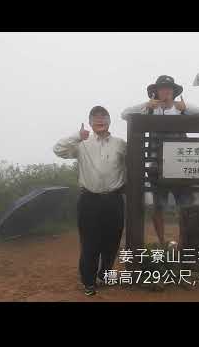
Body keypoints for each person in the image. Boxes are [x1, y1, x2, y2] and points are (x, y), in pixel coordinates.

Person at [121, 75, 199, 245]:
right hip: (156, 167)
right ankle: (162, 242)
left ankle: (184, 242)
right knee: (158, 207)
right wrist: (146, 105)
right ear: (156, 92)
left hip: (182, 165)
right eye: (162, 88)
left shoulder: (181, 108)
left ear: (174, 92)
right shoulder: (149, 109)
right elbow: (124, 114)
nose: (166, 91)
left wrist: (185, 107)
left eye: (169, 88)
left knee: (186, 207)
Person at [53, 106, 126, 296]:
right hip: (89, 200)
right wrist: (78, 135)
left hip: (114, 200)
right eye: (95, 118)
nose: (100, 120)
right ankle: (88, 281)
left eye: (103, 117)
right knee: (90, 243)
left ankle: (104, 275)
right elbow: (58, 150)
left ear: (109, 121)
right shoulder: (82, 143)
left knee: (112, 242)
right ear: (90, 122)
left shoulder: (120, 143)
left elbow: (132, 162)